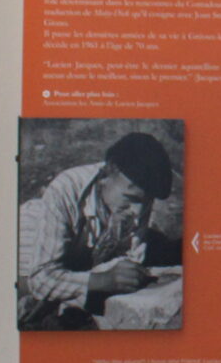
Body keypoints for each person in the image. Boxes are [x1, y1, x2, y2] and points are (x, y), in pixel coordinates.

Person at [18, 131, 179, 329]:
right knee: (33, 300)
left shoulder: (135, 193)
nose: (138, 212)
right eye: (131, 199)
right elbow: (40, 280)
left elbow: (132, 255)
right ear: (106, 174)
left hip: (84, 249)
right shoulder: (67, 187)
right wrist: (102, 280)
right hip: (33, 243)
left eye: (145, 202)